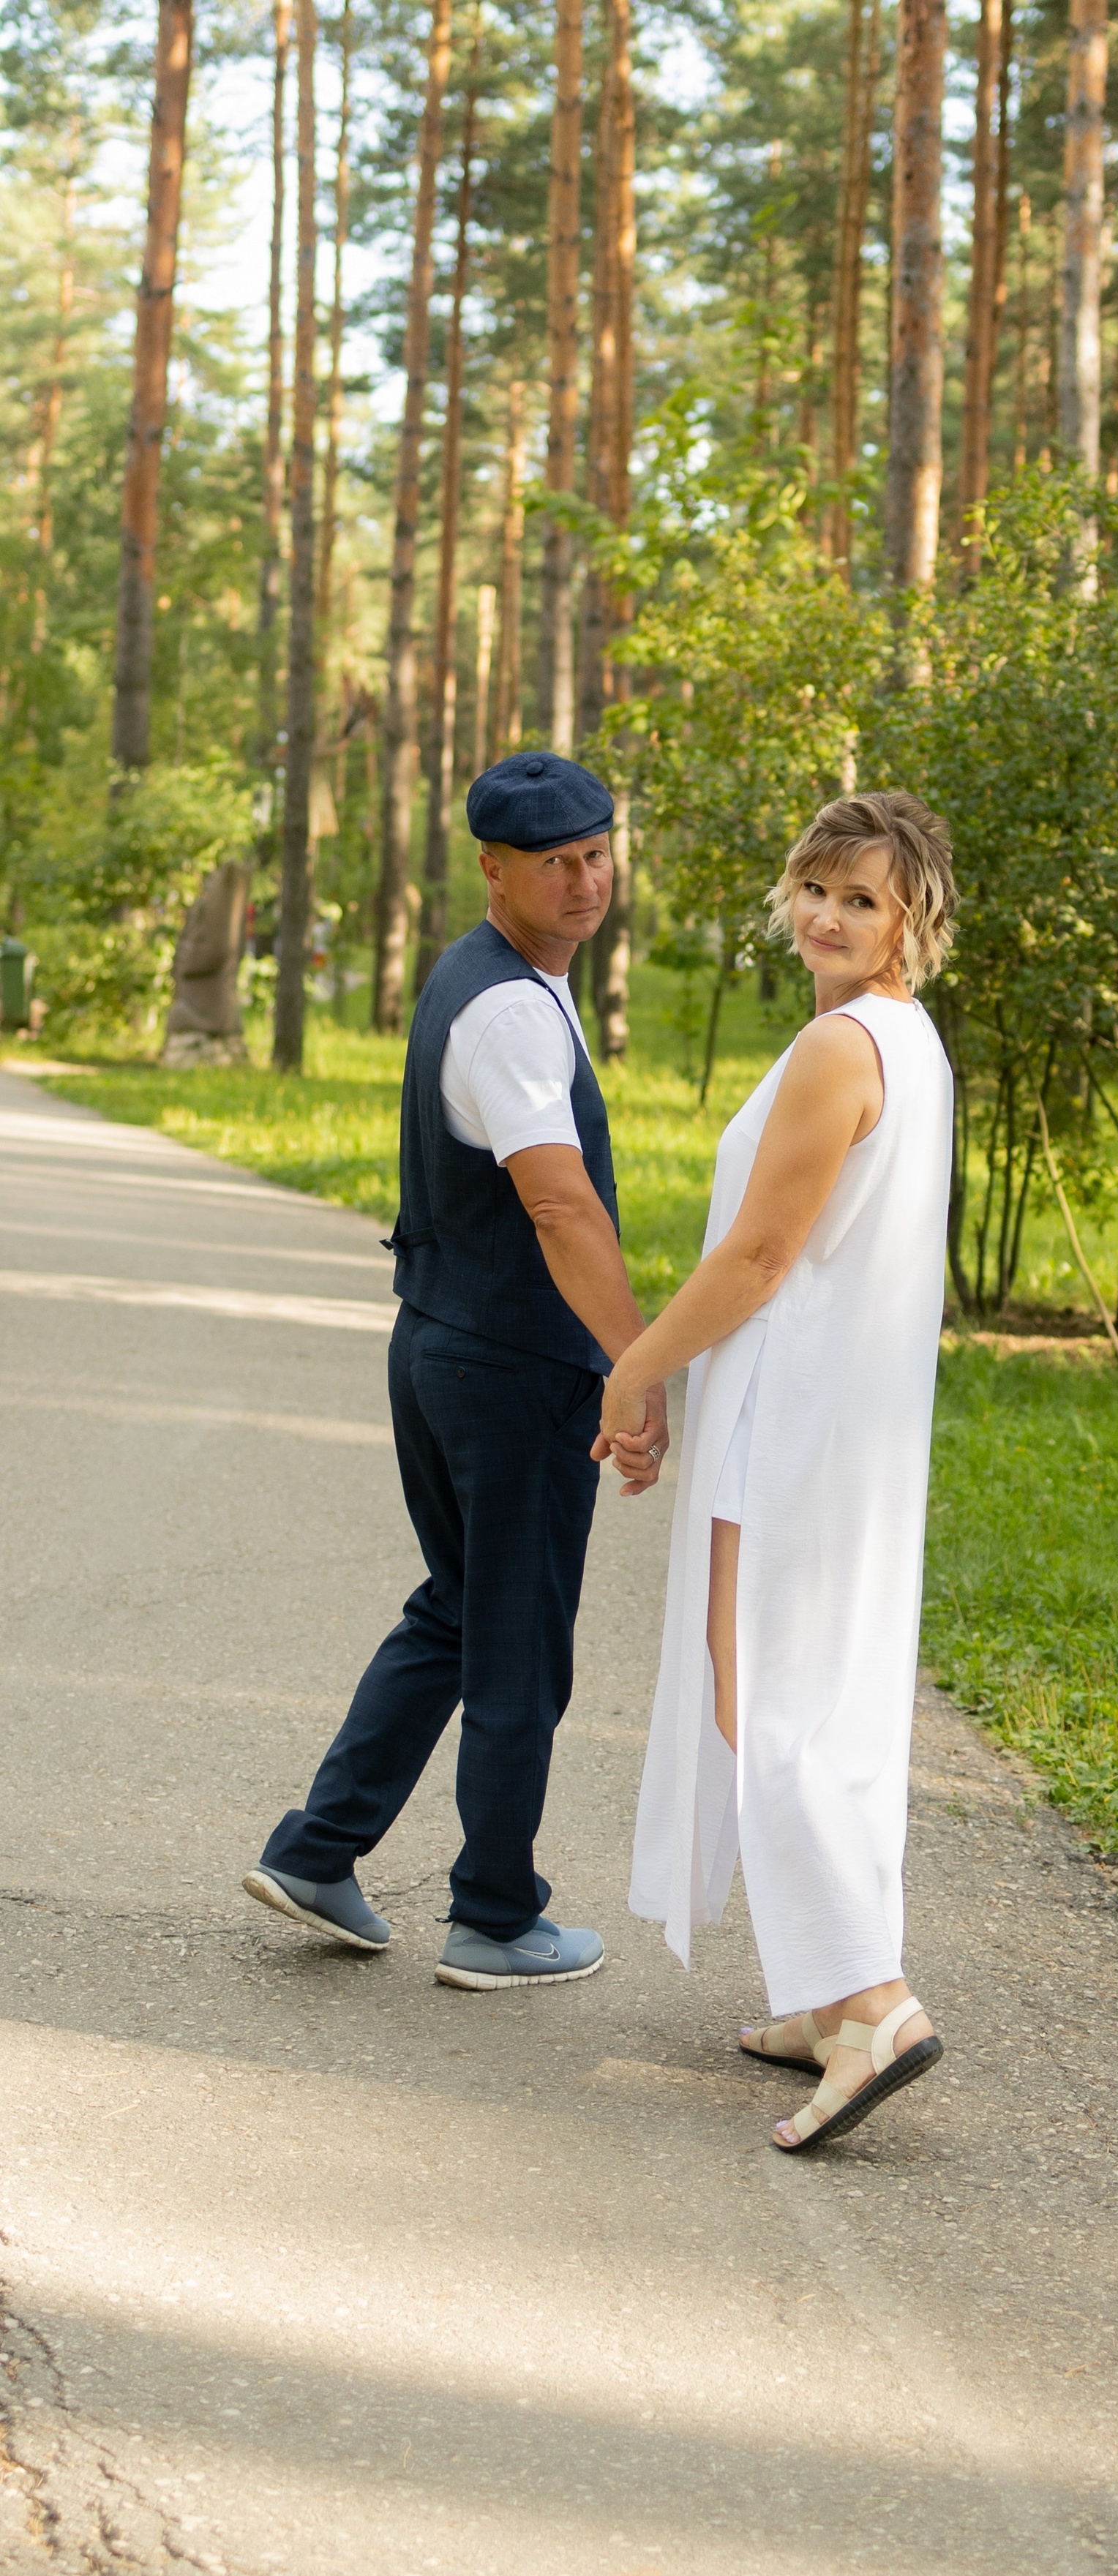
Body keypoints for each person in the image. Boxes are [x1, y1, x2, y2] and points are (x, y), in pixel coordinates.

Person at [245, 751, 669, 1987]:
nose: (587, 880)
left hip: (438, 1337)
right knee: (519, 1640)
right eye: (557, 863)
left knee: (459, 1607)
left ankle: (318, 1851)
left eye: (599, 853)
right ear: (494, 867)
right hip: (510, 1366)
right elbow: (559, 1206)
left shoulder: (491, 976)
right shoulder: (507, 1010)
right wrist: (634, 1365)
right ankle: (493, 1912)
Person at [600, 791, 955, 2152]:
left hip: (795, 1423)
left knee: (773, 1700)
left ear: (911, 919)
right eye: (814, 886)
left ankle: (872, 2003)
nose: (825, 914)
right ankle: (821, 1988)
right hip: (840, 1423)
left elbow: (759, 1258)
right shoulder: (905, 1043)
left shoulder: (841, 1048)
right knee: (811, 1692)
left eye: (860, 899)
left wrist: (638, 1367)